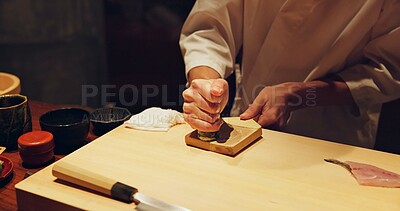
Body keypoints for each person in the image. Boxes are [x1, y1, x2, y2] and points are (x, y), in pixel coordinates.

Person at [179, 0, 400, 148]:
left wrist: (302, 94)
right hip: (245, 122)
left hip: (329, 135)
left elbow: (390, 68)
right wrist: (206, 85)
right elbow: (209, 26)